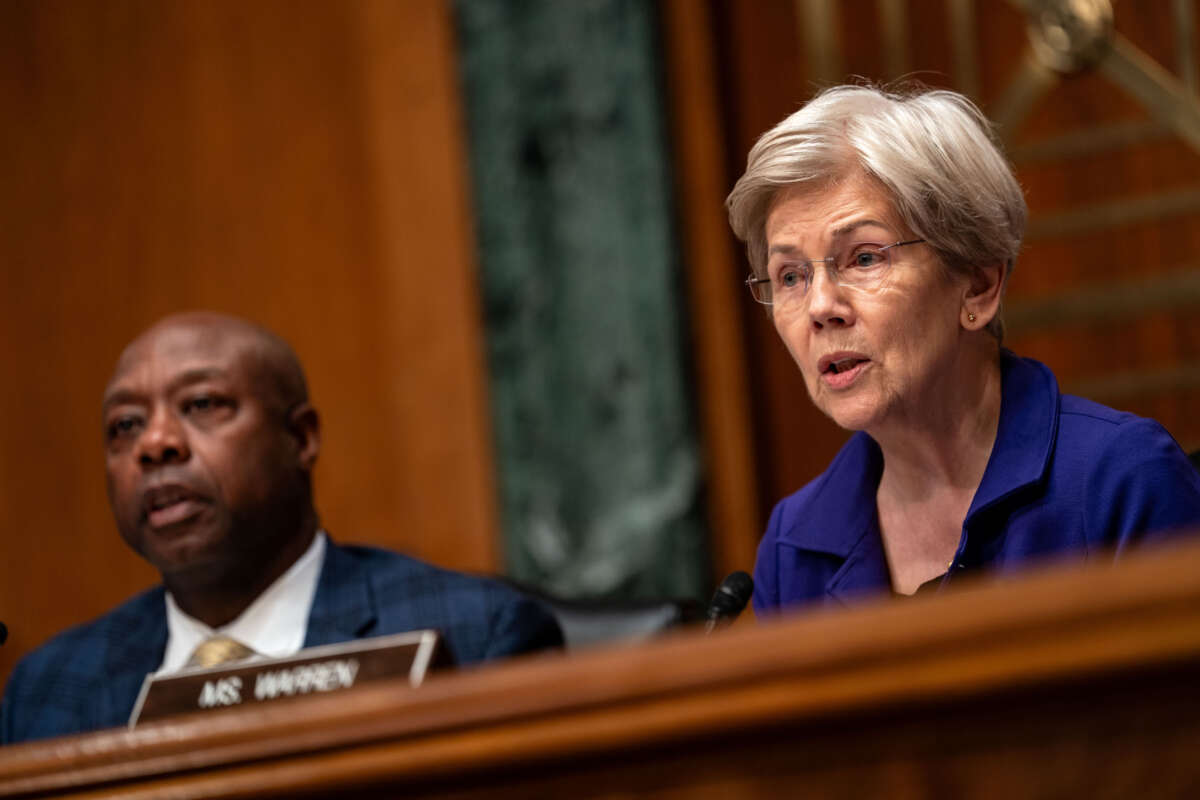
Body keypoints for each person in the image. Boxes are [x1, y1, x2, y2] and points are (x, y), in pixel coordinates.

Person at [726, 84, 1200, 612]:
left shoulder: (1122, 482)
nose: (820, 307)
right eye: (790, 276)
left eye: (863, 258)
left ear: (978, 285)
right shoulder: (795, 549)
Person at [1, 312, 563, 744]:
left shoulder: (475, 637)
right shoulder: (46, 690)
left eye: (201, 404)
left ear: (301, 439)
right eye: (126, 424)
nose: (155, 444)